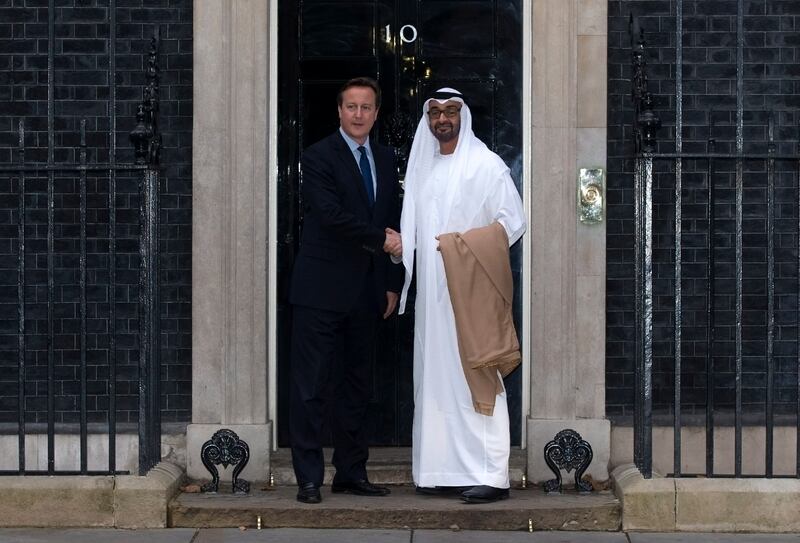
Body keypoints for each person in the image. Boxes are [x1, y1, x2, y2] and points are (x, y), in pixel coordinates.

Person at [397, 88, 526, 504]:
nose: (442, 119)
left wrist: (460, 246)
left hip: (469, 287)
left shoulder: (484, 164)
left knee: (478, 371)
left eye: (450, 112)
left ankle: (492, 474)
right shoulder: (424, 169)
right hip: (431, 299)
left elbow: (513, 220)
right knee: (435, 378)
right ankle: (440, 470)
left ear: (462, 116)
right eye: (434, 113)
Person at [289, 77, 403, 504]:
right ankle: (308, 477)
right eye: (351, 107)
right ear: (339, 111)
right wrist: (381, 240)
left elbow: (394, 217)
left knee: (357, 387)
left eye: (367, 107)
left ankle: (351, 472)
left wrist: (393, 282)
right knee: (311, 387)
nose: (358, 114)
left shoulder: (388, 159)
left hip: (368, 292)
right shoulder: (318, 156)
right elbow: (331, 214)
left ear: (376, 113)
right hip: (320, 290)